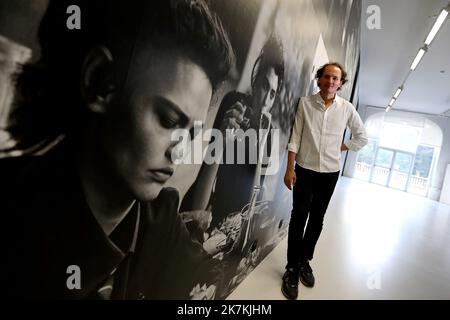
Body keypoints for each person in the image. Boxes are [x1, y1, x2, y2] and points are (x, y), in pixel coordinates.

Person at [2, 0, 234, 299]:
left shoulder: (158, 217)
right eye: (169, 120)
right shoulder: (12, 218)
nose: (180, 152)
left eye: (191, 133)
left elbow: (207, 274)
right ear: (99, 82)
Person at [181, 35, 284, 257]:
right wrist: (223, 141)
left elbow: (256, 195)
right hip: (208, 215)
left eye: (273, 93)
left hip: (236, 229)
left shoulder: (269, 131)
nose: (267, 98)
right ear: (256, 81)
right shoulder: (234, 103)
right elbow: (202, 187)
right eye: (265, 86)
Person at [281, 62, 368, 300]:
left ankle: (304, 261)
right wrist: (290, 169)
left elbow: (362, 137)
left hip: (330, 173)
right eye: (327, 77)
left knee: (317, 218)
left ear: (341, 83)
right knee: (299, 217)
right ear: (319, 79)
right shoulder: (305, 104)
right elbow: (295, 138)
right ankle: (290, 268)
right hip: (305, 169)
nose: (331, 81)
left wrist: (340, 147)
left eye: (336, 79)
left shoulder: (347, 108)